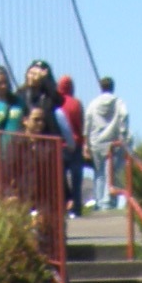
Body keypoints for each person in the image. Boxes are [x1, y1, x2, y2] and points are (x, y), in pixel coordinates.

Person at [86, 79, 130, 210]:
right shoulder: (118, 102)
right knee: (110, 172)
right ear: (113, 87)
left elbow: (88, 121)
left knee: (99, 172)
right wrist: (123, 133)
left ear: (100, 87)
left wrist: (86, 141)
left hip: (96, 142)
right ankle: (108, 201)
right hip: (113, 142)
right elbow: (124, 114)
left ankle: (99, 202)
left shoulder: (93, 103)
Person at [56, 76, 86, 215]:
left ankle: (63, 206)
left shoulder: (56, 103)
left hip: (60, 146)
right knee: (76, 179)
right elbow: (81, 124)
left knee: (60, 178)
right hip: (76, 145)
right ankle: (77, 208)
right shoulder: (77, 103)